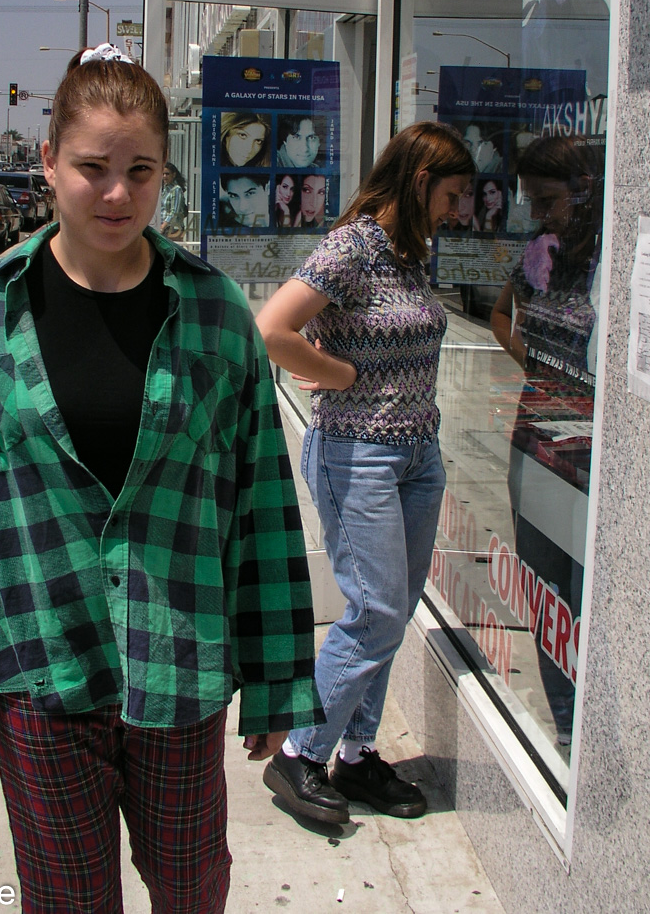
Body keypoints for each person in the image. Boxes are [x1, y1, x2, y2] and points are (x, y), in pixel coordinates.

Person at [0, 42, 323, 913]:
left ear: (165, 174)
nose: (116, 193)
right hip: (40, 669)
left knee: (191, 887)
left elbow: (262, 509)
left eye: (140, 171)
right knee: (66, 900)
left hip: (180, 671)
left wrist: (278, 677)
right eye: (92, 167)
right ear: (49, 161)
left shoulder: (214, 316)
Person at [255, 121, 474, 824]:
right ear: (417, 182)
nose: (457, 210)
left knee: (392, 612)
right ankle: (298, 754)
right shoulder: (350, 247)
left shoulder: (410, 254)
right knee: (375, 612)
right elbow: (272, 330)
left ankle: (355, 755)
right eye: (450, 194)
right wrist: (340, 372)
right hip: (358, 455)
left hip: (416, 457)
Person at [490, 134, 602, 754]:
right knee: (544, 587)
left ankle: (587, 728)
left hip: (591, 449)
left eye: (548, 200)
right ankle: (564, 726)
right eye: (531, 200)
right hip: (537, 436)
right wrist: (539, 367)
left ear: (585, 192)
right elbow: (502, 315)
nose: (537, 213)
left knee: (587, 592)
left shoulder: (606, 258)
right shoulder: (541, 252)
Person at [160, 160, 187, 240]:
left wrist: (162, 227)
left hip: (173, 229)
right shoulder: (165, 189)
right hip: (164, 229)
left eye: (167, 174)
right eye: (163, 174)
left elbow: (174, 212)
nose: (164, 176)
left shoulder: (176, 190)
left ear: (173, 175)